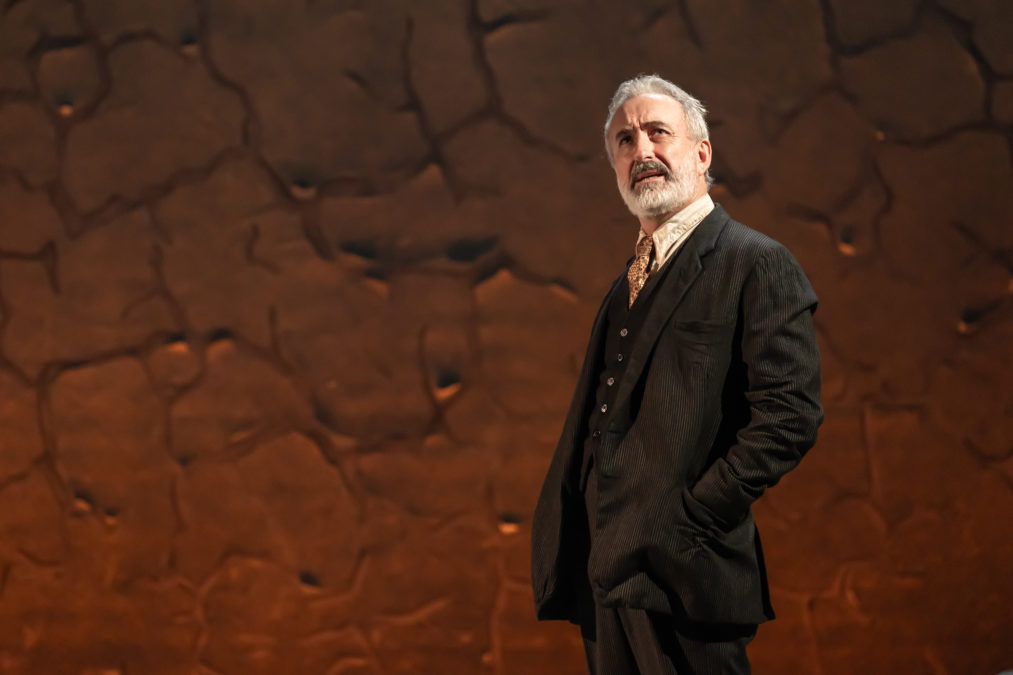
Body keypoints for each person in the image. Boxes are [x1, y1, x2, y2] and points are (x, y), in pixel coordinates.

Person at [530, 74, 823, 674]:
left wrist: (691, 518)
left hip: (683, 573)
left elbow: (790, 414)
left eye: (657, 133)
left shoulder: (756, 262)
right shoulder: (625, 285)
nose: (641, 151)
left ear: (702, 152)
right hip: (603, 574)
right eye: (624, 140)